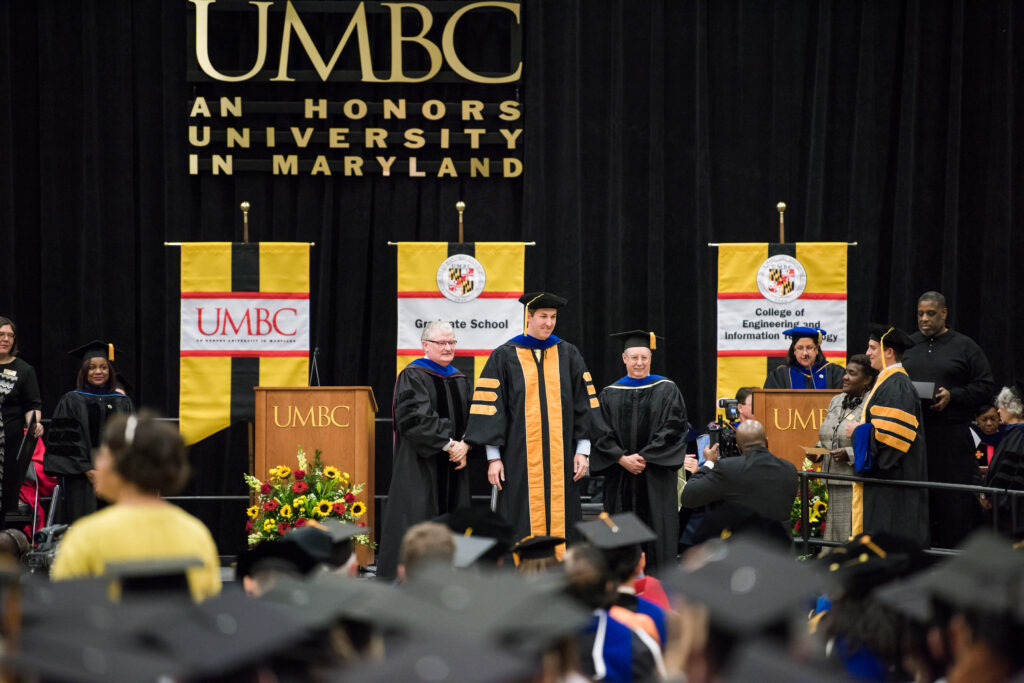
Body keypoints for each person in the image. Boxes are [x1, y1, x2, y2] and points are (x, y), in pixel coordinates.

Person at [464, 292, 601, 549]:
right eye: (543, 317)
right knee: (519, 515)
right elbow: (491, 409)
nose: (548, 323)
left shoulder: (568, 354)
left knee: (564, 518)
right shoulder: (504, 356)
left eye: (553, 317)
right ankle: (520, 576)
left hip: (562, 458)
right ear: (529, 317)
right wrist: (493, 458)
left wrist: (583, 451)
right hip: (518, 458)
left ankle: (562, 576)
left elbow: (584, 404)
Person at [50, 411, 221, 602]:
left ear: (123, 463)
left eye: (103, 454)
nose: (97, 462)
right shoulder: (196, 534)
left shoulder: (86, 537)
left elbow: (65, 616)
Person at [377, 321, 471, 580]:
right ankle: (409, 580)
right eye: (441, 343)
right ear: (425, 345)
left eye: (452, 342)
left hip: (454, 465)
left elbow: (471, 419)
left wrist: (464, 445)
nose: (448, 348)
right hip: (421, 465)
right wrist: (449, 444)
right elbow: (415, 418)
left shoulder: (460, 379)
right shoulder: (414, 375)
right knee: (418, 519)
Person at [902, 291, 995, 548]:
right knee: (918, 497)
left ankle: (953, 557)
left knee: (953, 500)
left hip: (952, 438)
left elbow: (986, 385)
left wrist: (953, 396)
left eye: (931, 313)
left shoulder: (965, 346)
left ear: (944, 313)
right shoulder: (908, 346)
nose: (924, 319)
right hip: (914, 437)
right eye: (920, 313)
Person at [591, 329, 689, 572]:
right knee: (621, 530)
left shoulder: (667, 389)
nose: (639, 363)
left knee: (658, 534)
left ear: (650, 359)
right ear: (624, 359)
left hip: (655, 476)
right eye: (634, 357)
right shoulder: (609, 393)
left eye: (644, 357)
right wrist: (621, 458)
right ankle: (621, 585)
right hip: (620, 476)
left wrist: (645, 457)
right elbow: (599, 432)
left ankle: (658, 587)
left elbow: (674, 428)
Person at [849, 324, 929, 547]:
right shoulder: (887, 382)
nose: (867, 353)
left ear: (889, 352)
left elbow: (889, 446)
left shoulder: (897, 386)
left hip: (892, 485)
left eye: (873, 347)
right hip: (886, 484)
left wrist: (858, 431)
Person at [44, 340, 134, 524]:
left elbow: (130, 441)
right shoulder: (71, 400)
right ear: (84, 371)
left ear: (110, 371)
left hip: (115, 475)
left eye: (103, 367)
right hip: (81, 479)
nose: (98, 372)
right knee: (83, 521)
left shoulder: (122, 402)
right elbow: (66, 441)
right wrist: (87, 469)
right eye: (92, 367)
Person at [810, 354, 878, 548]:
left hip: (853, 482)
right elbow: (830, 435)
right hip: (831, 479)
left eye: (852, 374)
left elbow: (875, 444)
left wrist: (848, 453)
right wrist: (818, 450)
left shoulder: (872, 404)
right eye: (845, 372)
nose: (845, 377)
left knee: (845, 537)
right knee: (832, 536)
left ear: (867, 380)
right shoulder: (837, 400)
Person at [680, 420, 797, 524]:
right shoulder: (789, 469)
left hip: (744, 544)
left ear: (739, 447)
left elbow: (688, 497)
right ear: (767, 441)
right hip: (782, 545)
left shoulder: (729, 468)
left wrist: (709, 463)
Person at [0, 316, 44, 520]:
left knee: (6, 502)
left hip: (10, 446)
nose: (6, 339)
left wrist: (34, 424)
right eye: (1, 334)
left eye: (10, 335)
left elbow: (33, 405)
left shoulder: (24, 370)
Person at [980, 383, 1024, 537]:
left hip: (1010, 509)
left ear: (1013, 407)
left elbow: (1009, 472)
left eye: (1002, 406)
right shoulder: (1014, 434)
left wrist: (992, 495)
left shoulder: (1019, 435)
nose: (998, 411)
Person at [763, 326, 844, 389]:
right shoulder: (780, 375)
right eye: (800, 348)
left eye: (809, 348)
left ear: (816, 350)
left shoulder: (834, 373)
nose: (805, 353)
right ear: (794, 351)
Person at [971, 403, 1005, 468]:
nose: (989, 423)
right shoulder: (971, 437)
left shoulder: (1007, 437)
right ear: (977, 419)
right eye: (984, 420)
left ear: (999, 418)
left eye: (993, 419)